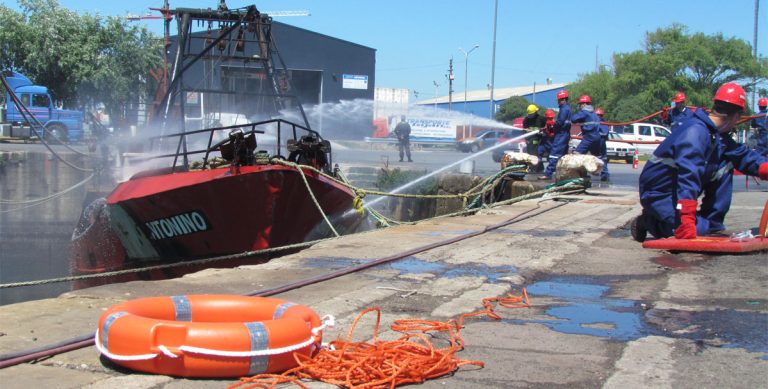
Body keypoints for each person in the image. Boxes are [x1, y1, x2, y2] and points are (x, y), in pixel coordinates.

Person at [632, 83, 768, 242]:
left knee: (727, 163)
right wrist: (687, 218)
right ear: (735, 116)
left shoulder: (717, 134)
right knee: (694, 229)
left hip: (676, 190)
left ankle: (712, 223)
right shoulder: (695, 133)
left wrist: (763, 168)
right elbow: (688, 175)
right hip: (659, 194)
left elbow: (742, 155)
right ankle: (648, 221)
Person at [571, 95, 606, 181]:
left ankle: (579, 174)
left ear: (584, 104)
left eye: (581, 104)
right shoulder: (594, 113)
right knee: (598, 157)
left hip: (588, 137)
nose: (580, 106)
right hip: (597, 137)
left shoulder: (584, 112)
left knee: (577, 155)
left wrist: (579, 119)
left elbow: (573, 119)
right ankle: (603, 173)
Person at [540, 90, 571, 180]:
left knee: (554, 153)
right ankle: (564, 173)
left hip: (561, 134)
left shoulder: (564, 109)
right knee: (563, 155)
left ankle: (548, 173)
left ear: (563, 99)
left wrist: (553, 126)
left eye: (559, 100)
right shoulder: (568, 108)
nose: (558, 102)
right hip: (565, 134)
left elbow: (560, 122)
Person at [534, 109, 556, 173]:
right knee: (538, 153)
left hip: (550, 143)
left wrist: (545, 130)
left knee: (551, 157)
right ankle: (538, 168)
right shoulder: (546, 123)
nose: (549, 119)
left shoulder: (553, 124)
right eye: (548, 118)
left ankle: (551, 170)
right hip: (544, 142)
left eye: (550, 118)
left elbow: (552, 134)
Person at [595, 108, 611, 182]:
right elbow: (606, 133)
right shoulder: (604, 123)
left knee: (602, 157)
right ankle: (605, 174)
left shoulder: (596, 122)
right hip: (601, 142)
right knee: (603, 158)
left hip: (597, 142)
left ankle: (605, 174)